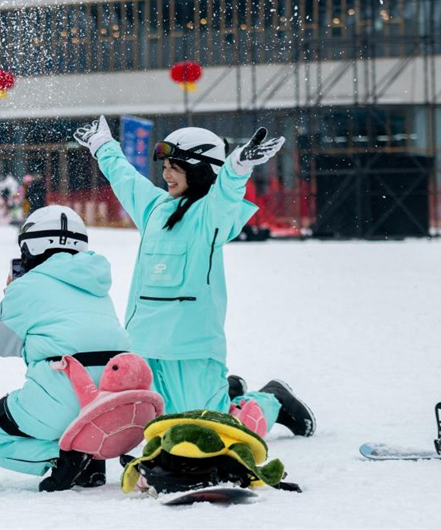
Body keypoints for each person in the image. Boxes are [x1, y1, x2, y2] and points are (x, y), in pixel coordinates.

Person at [74, 117, 316, 438]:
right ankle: (225, 393)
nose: (166, 174)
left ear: (202, 170)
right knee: (157, 427)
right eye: (166, 166)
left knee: (211, 432)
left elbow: (226, 196)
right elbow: (125, 179)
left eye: (176, 167)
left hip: (193, 346)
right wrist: (103, 146)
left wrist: (236, 168)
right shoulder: (154, 208)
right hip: (145, 341)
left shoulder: (209, 218)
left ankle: (272, 399)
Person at [0, 205, 131, 491]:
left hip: (62, 398)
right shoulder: (97, 286)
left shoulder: (27, 286)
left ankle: (62, 458)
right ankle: (89, 457)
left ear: (30, 245)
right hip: (113, 402)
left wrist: (8, 299)